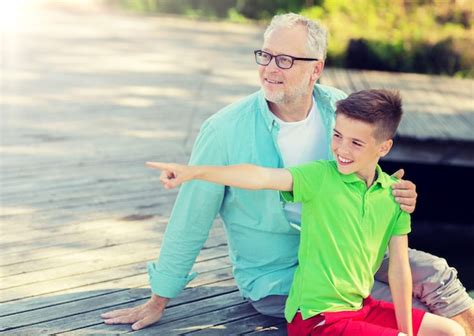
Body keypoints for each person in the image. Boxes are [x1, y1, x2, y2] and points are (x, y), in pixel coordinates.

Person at [101, 13, 473, 331]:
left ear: (316, 68)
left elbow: (366, 171)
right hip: (282, 275)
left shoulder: (337, 108)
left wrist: (397, 191)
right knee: (419, 318)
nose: (268, 68)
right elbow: (191, 217)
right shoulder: (225, 129)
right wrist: (159, 298)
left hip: (350, 250)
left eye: (284, 60)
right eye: (265, 56)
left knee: (437, 273)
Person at [145, 89, 465, 335]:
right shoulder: (319, 177)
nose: (341, 149)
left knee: (450, 330)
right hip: (316, 318)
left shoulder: (392, 195)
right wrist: (195, 172)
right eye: (337, 136)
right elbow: (260, 177)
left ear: (384, 148)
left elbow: (399, 270)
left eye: (356, 143)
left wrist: (406, 330)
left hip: (360, 307)